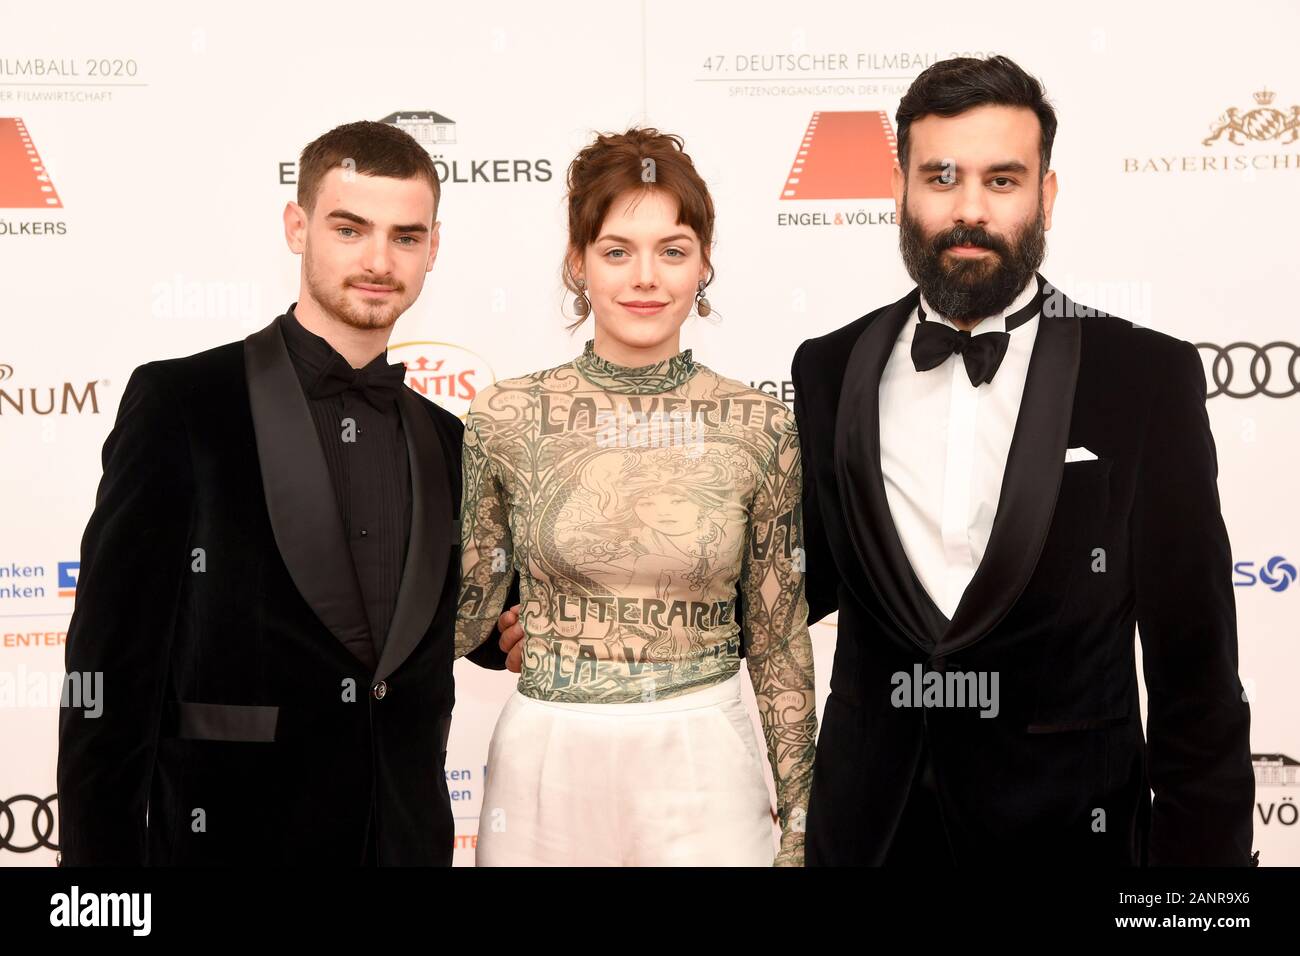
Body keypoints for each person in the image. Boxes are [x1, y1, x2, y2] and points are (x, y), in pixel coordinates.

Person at [792, 55, 1256, 865]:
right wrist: (587, 621)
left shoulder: (1144, 375)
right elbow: (797, 582)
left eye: (1002, 181)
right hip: (870, 833)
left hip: (1072, 835)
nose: (969, 209)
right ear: (899, 189)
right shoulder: (829, 368)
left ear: (1046, 195)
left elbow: (1196, 670)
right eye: (941, 178)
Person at [57, 120, 517, 866]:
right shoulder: (183, 404)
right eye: (349, 228)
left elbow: (476, 626)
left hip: (404, 843)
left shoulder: (450, 439)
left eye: (405, 236)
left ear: (433, 249)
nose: (378, 260)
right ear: (297, 227)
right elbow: (107, 669)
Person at [455, 128, 817, 866]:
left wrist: (803, 823)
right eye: (617, 251)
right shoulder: (504, 417)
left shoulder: (761, 426)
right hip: (544, 759)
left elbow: (779, 639)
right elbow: (463, 616)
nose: (645, 277)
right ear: (578, 263)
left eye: (673, 250)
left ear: (704, 265)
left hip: (704, 756)